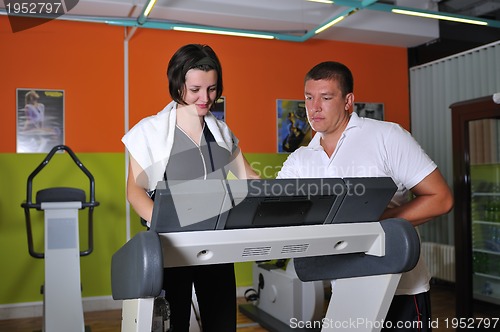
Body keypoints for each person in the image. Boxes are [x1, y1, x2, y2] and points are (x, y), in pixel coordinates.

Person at [277, 61, 453, 331]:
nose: (314, 107)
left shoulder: (386, 136)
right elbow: (277, 211)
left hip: (400, 288)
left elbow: (441, 198)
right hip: (345, 288)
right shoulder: (301, 159)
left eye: (326, 98)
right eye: (309, 98)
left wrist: (380, 221)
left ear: (348, 101)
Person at [122, 44, 259, 332]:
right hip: (171, 243)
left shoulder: (222, 132)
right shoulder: (149, 132)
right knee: (175, 324)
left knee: (221, 323)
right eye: (195, 89)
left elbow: (249, 178)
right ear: (177, 85)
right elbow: (134, 191)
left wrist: (278, 202)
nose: (205, 98)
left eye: (211, 89)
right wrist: (162, 223)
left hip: (217, 240)